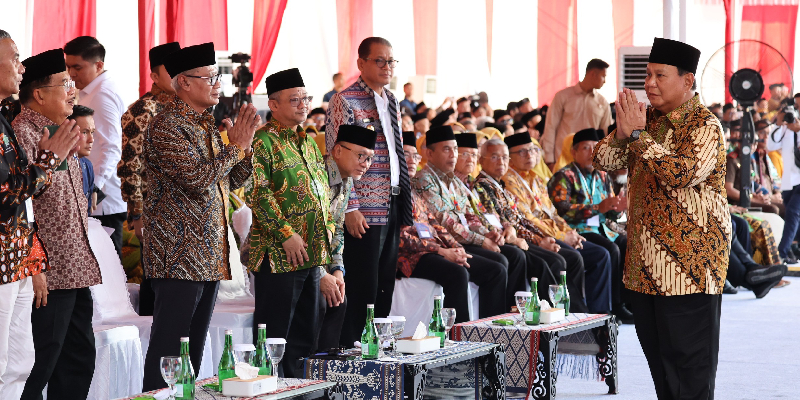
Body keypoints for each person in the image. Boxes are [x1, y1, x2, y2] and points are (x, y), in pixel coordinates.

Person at [593, 38, 730, 399]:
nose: (649, 83)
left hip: (689, 268)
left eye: (660, 75)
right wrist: (624, 135)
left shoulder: (704, 126)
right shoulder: (644, 118)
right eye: (647, 74)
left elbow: (680, 174)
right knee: (663, 370)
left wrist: (638, 136)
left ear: (687, 81)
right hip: (644, 269)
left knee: (690, 372)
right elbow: (604, 162)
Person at [140, 42, 261, 391]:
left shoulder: (204, 125)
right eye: (209, 77)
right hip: (178, 255)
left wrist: (245, 146)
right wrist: (234, 147)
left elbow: (232, 179)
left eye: (217, 76)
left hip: (207, 253)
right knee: (169, 351)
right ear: (184, 83)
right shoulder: (167, 126)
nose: (217, 83)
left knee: (190, 351)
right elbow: (196, 179)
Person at [14, 48, 100, 400]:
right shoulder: (24, 133)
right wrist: (34, 265)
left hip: (74, 268)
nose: (73, 90)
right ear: (39, 94)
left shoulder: (60, 130)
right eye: (64, 83)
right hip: (47, 273)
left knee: (78, 360)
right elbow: (20, 205)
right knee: (40, 365)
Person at [0, 31, 81, 400]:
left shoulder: (4, 119)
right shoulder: (20, 126)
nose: (20, 66)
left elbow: (23, 209)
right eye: (14, 57)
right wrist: (48, 162)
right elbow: (8, 195)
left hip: (19, 259)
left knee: (19, 364)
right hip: (4, 262)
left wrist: (32, 260)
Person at [326, 37, 413, 347]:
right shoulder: (345, 100)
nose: (387, 66)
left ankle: (378, 347)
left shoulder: (392, 99)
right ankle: (352, 350)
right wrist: (350, 208)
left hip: (391, 201)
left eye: (391, 61)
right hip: (362, 207)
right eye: (380, 60)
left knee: (383, 284)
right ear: (361, 64)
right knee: (363, 284)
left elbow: (394, 150)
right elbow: (336, 156)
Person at [248, 68, 329, 377]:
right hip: (278, 255)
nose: (302, 104)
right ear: (274, 104)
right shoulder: (262, 141)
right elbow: (259, 192)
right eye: (294, 99)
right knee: (272, 341)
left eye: (305, 98)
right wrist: (286, 234)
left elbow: (320, 192)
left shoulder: (307, 142)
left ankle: (297, 392)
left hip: (311, 254)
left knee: (305, 340)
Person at [475, 137, 601, 311]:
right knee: (554, 261)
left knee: (573, 257)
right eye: (495, 157)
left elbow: (523, 219)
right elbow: (504, 224)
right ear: (481, 160)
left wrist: (542, 237)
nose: (501, 162)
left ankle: (575, 313)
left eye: (504, 158)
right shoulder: (483, 186)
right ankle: (569, 314)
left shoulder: (503, 184)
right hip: (510, 240)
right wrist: (538, 240)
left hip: (529, 236)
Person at [414, 126, 528, 311]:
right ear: (430, 153)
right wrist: (481, 240)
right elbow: (445, 222)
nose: (453, 154)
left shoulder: (454, 181)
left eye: (455, 149)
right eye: (446, 149)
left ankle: (508, 317)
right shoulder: (424, 180)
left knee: (511, 256)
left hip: (463, 239)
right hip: (445, 243)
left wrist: (489, 233)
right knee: (497, 268)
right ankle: (486, 329)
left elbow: (470, 215)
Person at [400, 131, 507, 321]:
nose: (453, 155)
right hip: (411, 254)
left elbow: (438, 223)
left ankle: (491, 330)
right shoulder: (418, 182)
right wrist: (443, 250)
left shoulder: (448, 182)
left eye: (414, 156)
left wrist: (476, 239)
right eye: (405, 155)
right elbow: (408, 234)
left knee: (500, 264)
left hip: (437, 246)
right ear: (430, 154)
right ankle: (461, 339)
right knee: (462, 272)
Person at [117, 41, 181, 317]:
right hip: (154, 214)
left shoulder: (187, 110)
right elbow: (130, 166)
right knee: (158, 285)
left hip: (184, 214)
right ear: (154, 76)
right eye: (171, 71)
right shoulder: (143, 110)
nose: (179, 76)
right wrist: (138, 214)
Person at [548, 128, 632, 320]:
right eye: (586, 148)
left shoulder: (601, 175)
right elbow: (561, 210)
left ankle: (622, 303)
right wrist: (597, 208)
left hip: (602, 228)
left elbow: (607, 206)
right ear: (574, 152)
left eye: (595, 148)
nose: (591, 152)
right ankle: (601, 311)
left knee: (627, 244)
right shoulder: (564, 176)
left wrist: (616, 207)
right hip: (577, 229)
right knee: (608, 251)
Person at [64, 36, 128, 258]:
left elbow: (113, 147)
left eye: (77, 67)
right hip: (93, 193)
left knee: (108, 274)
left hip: (102, 198)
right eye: (68, 66)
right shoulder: (90, 89)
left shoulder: (102, 95)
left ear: (98, 65)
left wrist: (95, 187)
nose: (71, 73)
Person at [317, 124, 377, 350]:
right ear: (338, 150)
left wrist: (337, 270)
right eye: (360, 155)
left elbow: (337, 229)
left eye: (369, 158)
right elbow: (308, 229)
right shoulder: (317, 175)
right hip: (296, 259)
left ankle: (326, 366)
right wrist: (322, 274)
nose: (365, 163)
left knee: (340, 297)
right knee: (324, 301)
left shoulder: (346, 180)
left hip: (321, 261)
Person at [542, 59, 612, 170]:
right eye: (603, 76)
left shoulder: (602, 102)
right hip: (562, 160)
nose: (604, 81)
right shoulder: (563, 96)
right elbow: (550, 127)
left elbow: (607, 135)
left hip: (590, 161)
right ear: (593, 74)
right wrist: (549, 159)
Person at [766, 102, 800, 263]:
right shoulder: (785, 128)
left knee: (793, 211)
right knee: (792, 213)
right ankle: (794, 246)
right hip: (788, 180)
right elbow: (771, 145)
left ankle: (782, 252)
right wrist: (779, 123)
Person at [67, 105, 99, 215]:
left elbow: (87, 213)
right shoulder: (58, 165)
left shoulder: (87, 165)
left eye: (92, 132)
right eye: (85, 132)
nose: (91, 140)